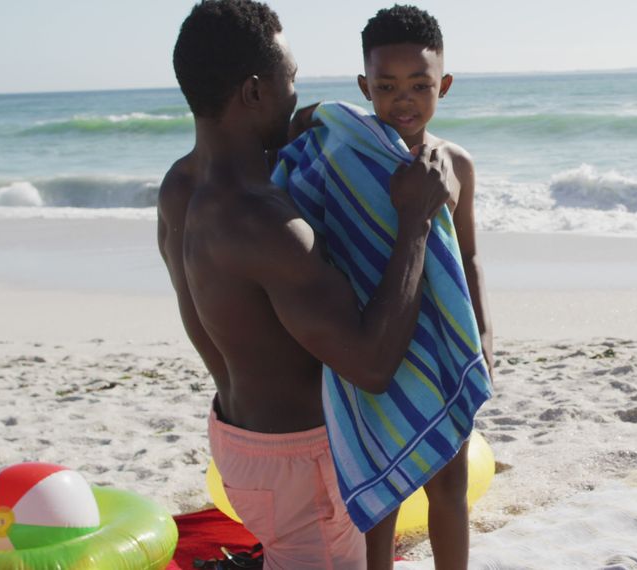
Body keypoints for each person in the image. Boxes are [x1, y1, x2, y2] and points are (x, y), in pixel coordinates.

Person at [157, 1, 451, 568]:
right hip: (299, 464)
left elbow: (207, 325)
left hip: (236, 439)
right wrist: (415, 220)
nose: (296, 95)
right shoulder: (262, 221)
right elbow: (371, 364)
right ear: (252, 91)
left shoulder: (181, 186)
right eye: (289, 80)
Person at [347, 6, 492, 569]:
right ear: (364, 87)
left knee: (448, 483)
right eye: (385, 86)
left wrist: (482, 333)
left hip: (441, 343)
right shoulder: (352, 157)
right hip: (376, 340)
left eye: (420, 85)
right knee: (382, 487)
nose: (402, 100)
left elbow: (471, 255)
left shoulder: (457, 164)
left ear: (445, 85)